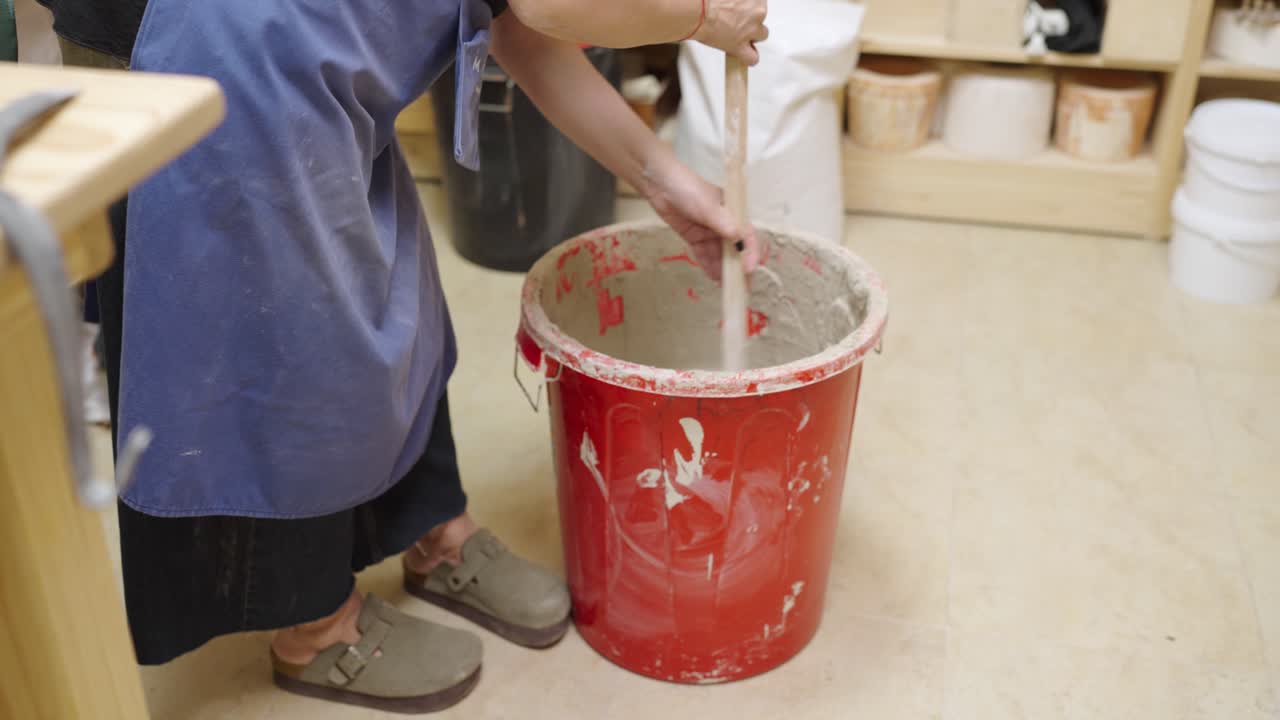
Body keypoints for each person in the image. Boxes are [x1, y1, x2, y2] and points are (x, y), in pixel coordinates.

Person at [39, 0, 768, 712]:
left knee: (388, 287)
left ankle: (430, 525)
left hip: (322, 50)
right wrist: (700, 16)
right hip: (213, 42)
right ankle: (316, 628)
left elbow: (513, 19)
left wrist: (665, 182)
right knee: (282, 335)